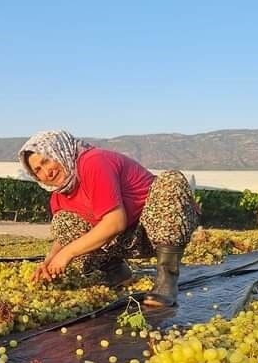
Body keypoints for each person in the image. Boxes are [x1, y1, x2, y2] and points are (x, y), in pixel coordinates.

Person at [19, 129, 199, 307]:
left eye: (46, 161)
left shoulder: (93, 162)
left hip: (157, 231)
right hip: (124, 240)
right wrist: (49, 261)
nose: (47, 172)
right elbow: (64, 237)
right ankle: (117, 273)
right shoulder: (59, 195)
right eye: (38, 170)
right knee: (63, 222)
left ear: (60, 151)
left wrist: (67, 254)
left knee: (170, 180)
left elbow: (115, 222)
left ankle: (167, 279)